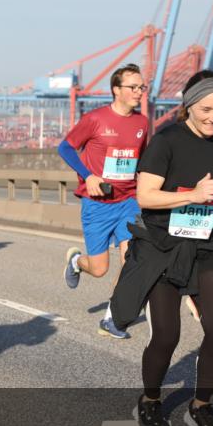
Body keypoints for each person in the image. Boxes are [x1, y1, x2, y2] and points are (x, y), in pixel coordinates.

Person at [110, 70, 213, 426]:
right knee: (167, 335)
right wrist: (192, 196)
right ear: (189, 105)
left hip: (207, 244)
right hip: (163, 247)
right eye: (207, 109)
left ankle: (200, 406)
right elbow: (146, 197)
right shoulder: (165, 140)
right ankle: (150, 399)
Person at [59, 63, 149, 339]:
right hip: (97, 203)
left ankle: (112, 317)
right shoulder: (96, 119)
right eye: (133, 87)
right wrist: (88, 176)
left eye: (141, 87)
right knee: (99, 268)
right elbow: (65, 147)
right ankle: (76, 262)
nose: (139, 92)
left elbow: (142, 161)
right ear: (116, 90)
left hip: (129, 200)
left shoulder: (143, 123)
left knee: (131, 259)